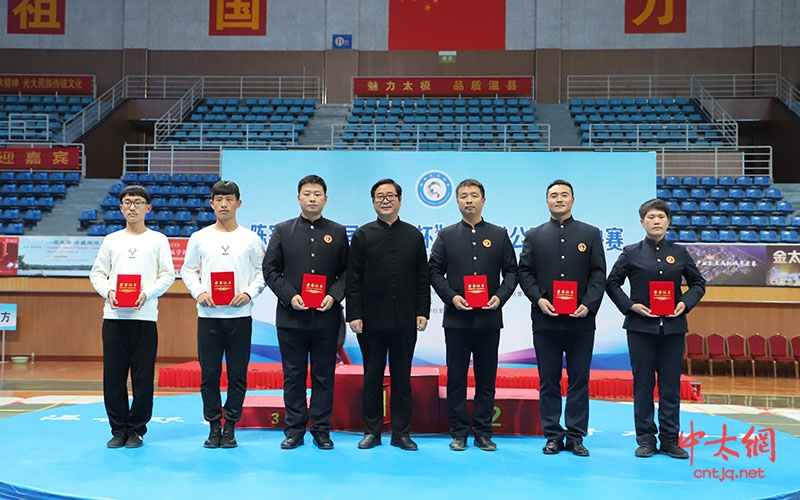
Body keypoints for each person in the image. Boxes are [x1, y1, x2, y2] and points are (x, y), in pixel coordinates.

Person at [606, 198, 706, 459]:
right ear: (642, 222)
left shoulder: (680, 252)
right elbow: (612, 284)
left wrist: (685, 303)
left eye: (661, 217)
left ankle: (670, 439)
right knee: (643, 385)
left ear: (668, 221)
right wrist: (630, 306)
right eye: (651, 217)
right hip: (640, 329)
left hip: (673, 329)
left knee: (671, 386)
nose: (656, 221)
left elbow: (698, 284)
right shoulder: (630, 252)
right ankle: (646, 439)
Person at [518, 179, 606, 457]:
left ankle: (576, 436)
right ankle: (553, 435)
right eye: (553, 195)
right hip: (546, 320)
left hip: (581, 321)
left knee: (580, 379)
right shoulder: (534, 235)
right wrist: (539, 299)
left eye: (564, 195)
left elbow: (598, 273)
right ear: (546, 201)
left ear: (573, 199)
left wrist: (589, 304)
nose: (559, 199)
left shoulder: (590, 234)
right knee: (548, 380)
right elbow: (525, 273)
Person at [428, 179, 518, 452]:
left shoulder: (499, 234)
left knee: (486, 378)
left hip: (489, 319)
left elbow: (512, 272)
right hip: (457, 320)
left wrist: (499, 297)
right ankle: (458, 432)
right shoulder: (445, 235)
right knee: (456, 378)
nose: (469, 200)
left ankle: (482, 432)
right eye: (463, 196)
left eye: (474, 196)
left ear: (483, 201)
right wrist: (452, 297)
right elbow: (433, 271)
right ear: (457, 202)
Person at [263, 175, 348, 451]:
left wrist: (333, 296)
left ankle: (321, 430)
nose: (312, 198)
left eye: (317, 194)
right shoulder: (282, 230)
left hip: (326, 318)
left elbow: (347, 272)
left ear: (325, 199)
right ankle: (295, 429)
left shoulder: (336, 231)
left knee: (324, 376)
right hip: (291, 319)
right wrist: (291, 296)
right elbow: (270, 270)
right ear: (298, 198)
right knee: (294, 376)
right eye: (307, 193)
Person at [346, 178, 430, 451]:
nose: (385, 200)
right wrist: (354, 314)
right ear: (373, 202)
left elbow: (422, 277)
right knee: (372, 376)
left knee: (402, 377)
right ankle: (372, 431)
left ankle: (401, 432)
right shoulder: (362, 235)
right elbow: (353, 278)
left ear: (400, 200)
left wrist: (423, 311)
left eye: (390, 195)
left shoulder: (414, 235)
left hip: (405, 319)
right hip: (370, 321)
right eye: (379, 196)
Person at [181, 180, 266, 449]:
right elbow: (187, 270)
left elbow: (264, 271)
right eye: (219, 200)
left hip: (240, 316)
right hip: (209, 317)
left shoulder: (250, 239)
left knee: (238, 375)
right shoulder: (200, 237)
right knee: (209, 375)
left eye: (229, 200)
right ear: (212, 203)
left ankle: (231, 426)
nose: (224, 204)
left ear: (238, 203)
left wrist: (249, 294)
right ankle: (214, 426)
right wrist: (199, 292)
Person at [90, 185, 176, 449]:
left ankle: (137, 429)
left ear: (147, 208)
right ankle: (118, 429)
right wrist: (109, 291)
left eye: (138, 202)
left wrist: (147, 294)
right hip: (114, 317)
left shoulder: (158, 240)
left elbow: (168, 275)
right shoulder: (111, 240)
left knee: (142, 376)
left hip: (145, 318)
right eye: (127, 202)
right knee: (113, 377)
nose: (132, 207)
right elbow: (97, 274)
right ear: (120, 207)